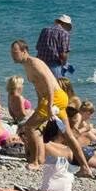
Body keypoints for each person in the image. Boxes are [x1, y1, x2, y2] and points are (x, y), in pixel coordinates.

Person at [11, 40, 88, 176]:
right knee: (68, 135)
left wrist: (49, 104)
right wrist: (40, 103)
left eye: (15, 52)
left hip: (55, 98)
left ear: (24, 51)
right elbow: (38, 86)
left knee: (30, 127)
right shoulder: (27, 65)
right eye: (12, 52)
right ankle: (85, 168)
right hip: (56, 99)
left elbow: (48, 82)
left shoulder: (34, 63)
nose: (13, 55)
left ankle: (35, 162)